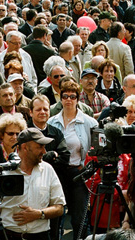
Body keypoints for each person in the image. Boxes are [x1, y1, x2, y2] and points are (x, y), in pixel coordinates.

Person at [46, 77, 98, 236]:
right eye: (65, 96)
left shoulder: (89, 122)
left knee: (79, 219)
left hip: (79, 173)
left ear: (78, 98)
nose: (69, 100)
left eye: (72, 96)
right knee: (57, 218)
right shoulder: (52, 122)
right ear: (60, 98)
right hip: (57, 174)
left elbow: (94, 149)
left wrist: (87, 167)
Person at [0, 127, 66, 240]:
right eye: (40, 147)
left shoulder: (48, 170)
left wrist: (39, 214)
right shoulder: (5, 171)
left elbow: (59, 208)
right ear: (25, 147)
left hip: (40, 236)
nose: (44, 152)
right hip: (8, 235)